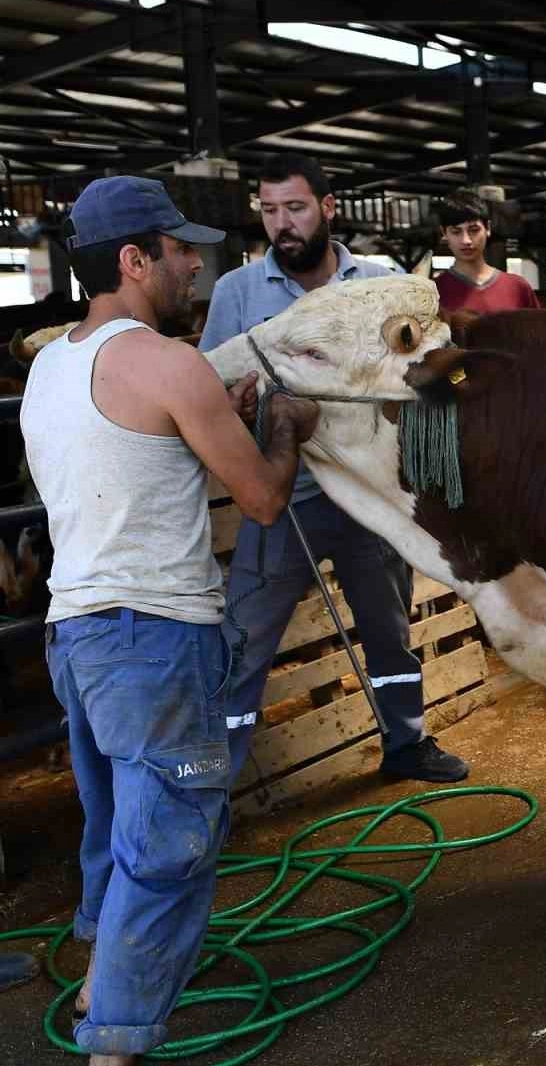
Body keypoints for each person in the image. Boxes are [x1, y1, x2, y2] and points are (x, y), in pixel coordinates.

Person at [21, 176, 317, 1066]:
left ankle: (96, 976)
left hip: (76, 633)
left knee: (115, 824)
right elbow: (263, 498)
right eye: (180, 249)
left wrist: (200, 419)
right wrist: (285, 426)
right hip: (154, 638)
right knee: (171, 843)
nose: (196, 263)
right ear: (134, 260)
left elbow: (124, 450)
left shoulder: (50, 365)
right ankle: (115, 1041)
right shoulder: (167, 362)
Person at [201, 153, 468, 784]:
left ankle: (406, 743)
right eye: (269, 211)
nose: (281, 224)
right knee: (245, 638)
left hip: (370, 494)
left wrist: (450, 389)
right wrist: (236, 409)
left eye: (294, 208)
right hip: (282, 495)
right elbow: (207, 388)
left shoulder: (382, 283)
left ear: (328, 207)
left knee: (388, 626)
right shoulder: (237, 294)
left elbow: (445, 368)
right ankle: (217, 777)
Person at [432, 190, 541, 313]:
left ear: (488, 228)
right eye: (456, 232)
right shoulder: (432, 293)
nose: (466, 240)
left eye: (474, 230)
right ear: (444, 234)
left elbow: (537, 331)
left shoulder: (518, 287)